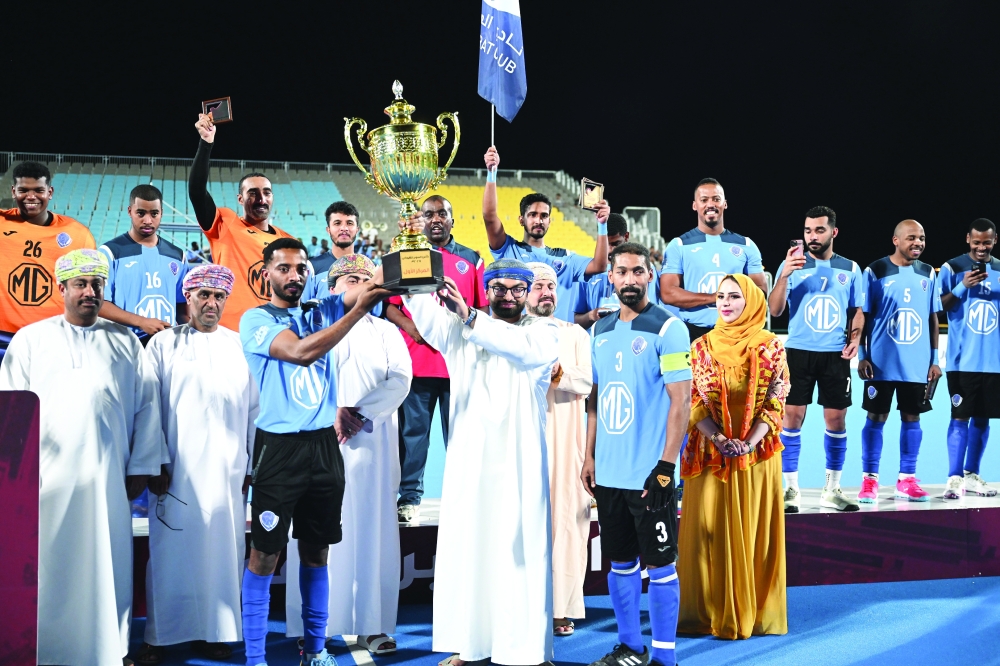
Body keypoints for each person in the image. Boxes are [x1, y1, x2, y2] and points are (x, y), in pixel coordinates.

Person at [0, 249, 164, 666]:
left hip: (107, 478)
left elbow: (147, 407)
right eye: (81, 285)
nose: (90, 292)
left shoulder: (126, 340)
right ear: (62, 289)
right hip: (45, 482)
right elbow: (12, 413)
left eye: (97, 285)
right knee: (50, 564)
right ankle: (48, 648)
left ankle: (110, 647)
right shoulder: (31, 340)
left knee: (109, 564)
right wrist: (16, 481)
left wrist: (141, 467)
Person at [238, 238, 390, 666]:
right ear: (266, 272)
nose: (294, 276)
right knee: (265, 553)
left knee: (317, 549)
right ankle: (254, 659)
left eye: (302, 269)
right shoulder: (256, 319)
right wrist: (359, 311)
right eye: (284, 269)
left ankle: (316, 650)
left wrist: (402, 249)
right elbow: (302, 353)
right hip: (278, 449)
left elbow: (370, 287)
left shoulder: (321, 308)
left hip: (324, 447)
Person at [403, 259, 558, 666]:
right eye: (498, 289)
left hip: (518, 462)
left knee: (518, 552)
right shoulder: (458, 331)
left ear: (527, 294)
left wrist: (470, 314)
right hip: (471, 460)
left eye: (516, 290)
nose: (507, 296)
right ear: (486, 290)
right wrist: (412, 246)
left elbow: (520, 349)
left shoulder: (544, 332)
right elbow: (420, 306)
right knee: (470, 548)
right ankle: (470, 647)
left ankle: (525, 650)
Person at [285, 254, 411, 656]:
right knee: (317, 534)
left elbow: (402, 379)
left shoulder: (387, 331)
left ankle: (372, 625)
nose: (358, 282)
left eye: (364, 277)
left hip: (373, 444)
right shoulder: (314, 328)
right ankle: (317, 626)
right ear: (332, 288)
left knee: (373, 533)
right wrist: (333, 410)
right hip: (319, 444)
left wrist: (359, 413)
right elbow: (297, 376)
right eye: (348, 278)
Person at [138, 265, 258, 664]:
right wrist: (156, 461)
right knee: (171, 551)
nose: (211, 303)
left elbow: (254, 411)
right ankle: (162, 634)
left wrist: (252, 464)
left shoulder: (240, 346)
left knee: (224, 550)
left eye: (219, 296)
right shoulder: (162, 345)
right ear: (187, 297)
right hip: (177, 472)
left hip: (228, 471)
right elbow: (149, 407)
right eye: (203, 295)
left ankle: (218, 630)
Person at [582, 243, 691, 666]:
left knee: (661, 569)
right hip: (608, 474)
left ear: (650, 275)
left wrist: (666, 465)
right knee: (621, 565)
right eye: (622, 272)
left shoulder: (669, 329)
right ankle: (630, 646)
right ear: (611, 278)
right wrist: (589, 456)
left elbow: (681, 402)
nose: (629, 279)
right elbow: (594, 399)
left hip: (651, 477)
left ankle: (665, 657)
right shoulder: (600, 331)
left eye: (638, 272)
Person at [679, 273, 788, 640]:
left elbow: (776, 399)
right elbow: (693, 399)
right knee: (708, 533)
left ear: (751, 302)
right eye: (721, 296)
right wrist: (721, 439)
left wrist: (749, 442)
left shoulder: (770, 346)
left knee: (754, 534)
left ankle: (750, 612)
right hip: (711, 455)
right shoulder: (701, 347)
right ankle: (710, 611)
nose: (725, 303)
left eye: (734, 297)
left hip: (756, 459)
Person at [386, 195, 488, 522]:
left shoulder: (471, 260)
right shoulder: (407, 256)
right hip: (416, 364)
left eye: (442, 213)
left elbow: (482, 311)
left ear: (452, 220)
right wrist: (411, 326)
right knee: (412, 437)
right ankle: (409, 499)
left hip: (457, 365)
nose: (435, 219)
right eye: (428, 214)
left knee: (459, 437)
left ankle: (464, 498)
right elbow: (388, 305)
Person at [767, 206, 864, 512]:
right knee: (791, 419)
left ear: (833, 232)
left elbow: (856, 310)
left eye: (819, 230)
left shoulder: (850, 269)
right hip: (797, 352)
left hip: (834, 355)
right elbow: (775, 309)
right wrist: (784, 274)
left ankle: (832, 490)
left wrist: (856, 339)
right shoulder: (793, 266)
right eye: (808, 230)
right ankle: (791, 491)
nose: (812, 236)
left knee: (836, 420)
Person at [525, 261, 592, 637]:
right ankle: (523, 604)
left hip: (567, 444)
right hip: (522, 441)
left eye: (551, 286)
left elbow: (587, 380)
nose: (546, 292)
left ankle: (561, 606)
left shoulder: (575, 334)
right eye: (537, 286)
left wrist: (557, 373)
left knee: (567, 520)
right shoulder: (510, 332)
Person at [857, 220, 942, 502]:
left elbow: (932, 318)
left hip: (916, 365)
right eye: (911, 238)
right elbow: (862, 316)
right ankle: (869, 481)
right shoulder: (876, 270)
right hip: (880, 364)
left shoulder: (929, 273)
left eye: (922, 238)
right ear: (896, 240)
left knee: (912, 418)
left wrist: (934, 360)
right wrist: (862, 355)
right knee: (876, 417)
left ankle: (907, 480)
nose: (917, 242)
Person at [189, 112, 295, 331]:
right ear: (240, 199)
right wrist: (206, 143)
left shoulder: (288, 241)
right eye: (253, 193)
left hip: (274, 334)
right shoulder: (226, 223)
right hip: (230, 332)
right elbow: (197, 193)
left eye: (267, 192)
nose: (261, 199)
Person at [483, 146, 610, 322]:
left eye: (544, 216)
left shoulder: (566, 258)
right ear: (521, 220)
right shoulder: (508, 250)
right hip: (515, 337)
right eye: (532, 215)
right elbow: (489, 217)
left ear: (550, 220)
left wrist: (602, 225)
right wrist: (491, 173)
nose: (539, 220)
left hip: (555, 341)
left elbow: (600, 265)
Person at [1, 161, 96, 358]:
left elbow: (88, 289)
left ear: (50, 192)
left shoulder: (77, 234)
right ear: (13, 191)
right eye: (23, 190)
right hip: (3, 336)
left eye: (38, 190)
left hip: (53, 336)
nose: (31, 197)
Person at [660, 178, 768, 342]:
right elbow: (668, 293)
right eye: (704, 200)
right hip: (693, 333)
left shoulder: (746, 245)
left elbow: (761, 290)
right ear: (695, 205)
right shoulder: (679, 245)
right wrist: (715, 297)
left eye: (716, 199)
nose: (710, 204)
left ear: (725, 203)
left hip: (735, 333)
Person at [939, 218, 1000, 498]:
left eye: (986, 242)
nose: (981, 248)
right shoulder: (952, 268)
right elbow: (938, 308)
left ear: (994, 240)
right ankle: (953, 478)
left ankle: (971, 474)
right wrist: (963, 286)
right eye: (976, 242)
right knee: (960, 417)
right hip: (962, 361)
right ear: (968, 240)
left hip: (994, 362)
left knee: (983, 418)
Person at [98, 184, 190, 345]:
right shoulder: (109, 252)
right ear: (129, 211)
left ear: (161, 213)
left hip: (167, 345)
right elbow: (99, 305)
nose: (148, 220)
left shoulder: (178, 256)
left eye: (154, 213)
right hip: (124, 345)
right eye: (141, 213)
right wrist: (141, 322)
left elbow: (182, 306)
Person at [574, 213, 667, 330]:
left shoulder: (646, 269)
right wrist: (592, 315)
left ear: (626, 237)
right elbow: (575, 321)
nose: (611, 250)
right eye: (606, 243)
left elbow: (654, 311)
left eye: (616, 244)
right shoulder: (586, 272)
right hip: (599, 343)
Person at [304, 201, 363, 300]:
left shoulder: (370, 268)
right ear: (328, 230)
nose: (344, 228)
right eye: (337, 223)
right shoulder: (312, 267)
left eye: (349, 223)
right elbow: (304, 308)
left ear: (357, 229)